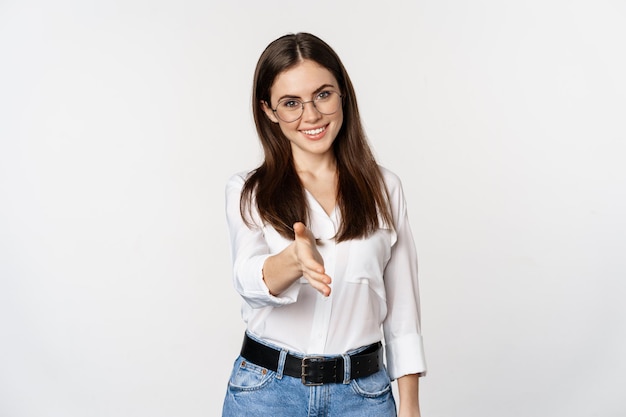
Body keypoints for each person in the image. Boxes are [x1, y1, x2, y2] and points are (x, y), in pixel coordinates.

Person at [222, 32, 426, 417]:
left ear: (342, 94)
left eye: (323, 95)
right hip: (267, 394)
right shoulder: (248, 191)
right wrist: (293, 263)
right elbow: (248, 280)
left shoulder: (385, 188)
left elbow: (404, 311)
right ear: (269, 110)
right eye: (291, 103)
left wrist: (410, 407)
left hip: (363, 396)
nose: (311, 116)